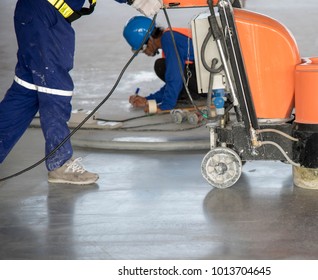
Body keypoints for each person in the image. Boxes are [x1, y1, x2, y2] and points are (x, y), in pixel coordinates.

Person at [0, 0, 156, 185]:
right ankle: (60, 163)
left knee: (26, 90)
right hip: (46, 14)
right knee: (55, 89)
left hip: (34, 11)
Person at [125, 16, 204, 113]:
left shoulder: (168, 40)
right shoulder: (170, 37)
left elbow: (175, 78)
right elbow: (174, 79)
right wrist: (149, 100)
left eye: (142, 48)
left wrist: (165, 106)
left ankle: (198, 95)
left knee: (161, 66)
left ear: (150, 40)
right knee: (163, 66)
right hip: (209, 77)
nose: (145, 52)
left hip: (210, 83)